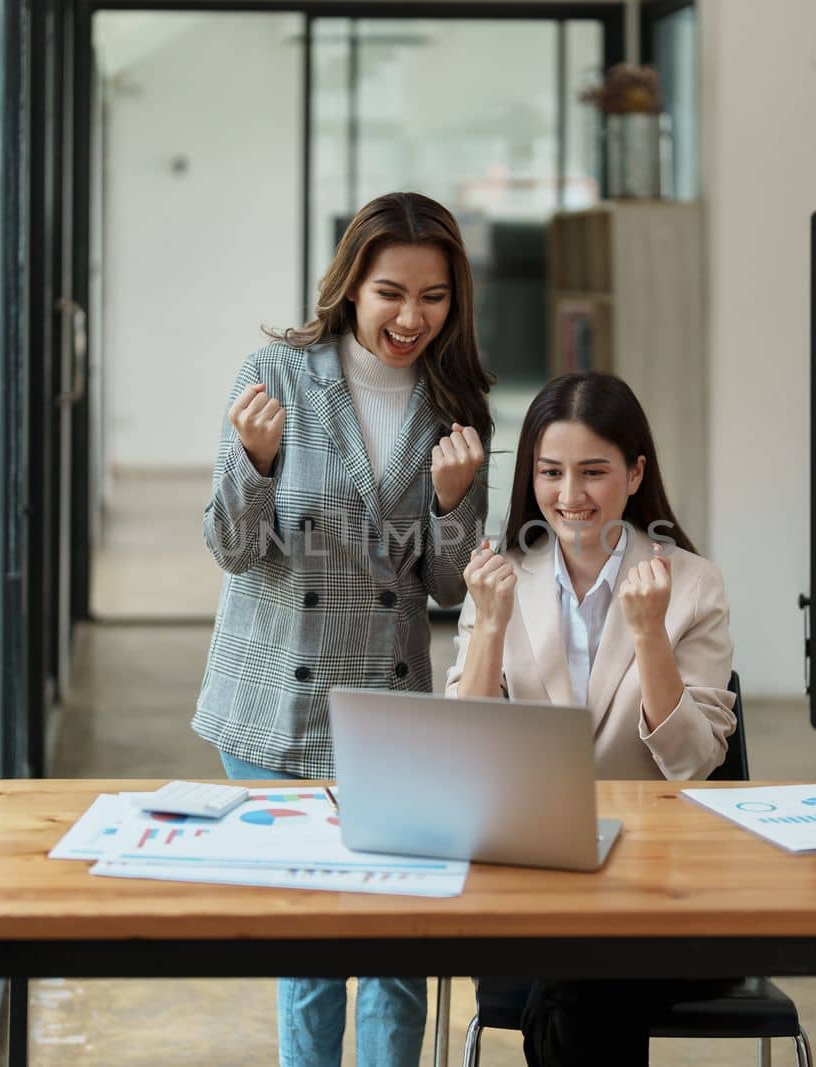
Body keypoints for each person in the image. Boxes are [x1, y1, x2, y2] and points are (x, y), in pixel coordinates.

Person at [195, 191, 493, 1067]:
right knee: (315, 958)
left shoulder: (459, 398)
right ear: (352, 284)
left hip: (390, 710)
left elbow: (446, 584)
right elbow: (231, 547)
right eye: (391, 292)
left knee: (401, 951)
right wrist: (251, 463)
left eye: (433, 296)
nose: (411, 317)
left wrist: (449, 504)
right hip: (272, 708)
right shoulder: (275, 373)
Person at [445, 371, 738, 1066]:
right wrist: (488, 627)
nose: (569, 496)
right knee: (579, 969)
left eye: (593, 472)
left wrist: (650, 636)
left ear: (635, 474)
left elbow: (695, 762)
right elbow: (463, 762)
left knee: (578, 972)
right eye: (550, 472)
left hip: (656, 879)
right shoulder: (498, 573)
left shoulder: (691, 585)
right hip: (529, 874)